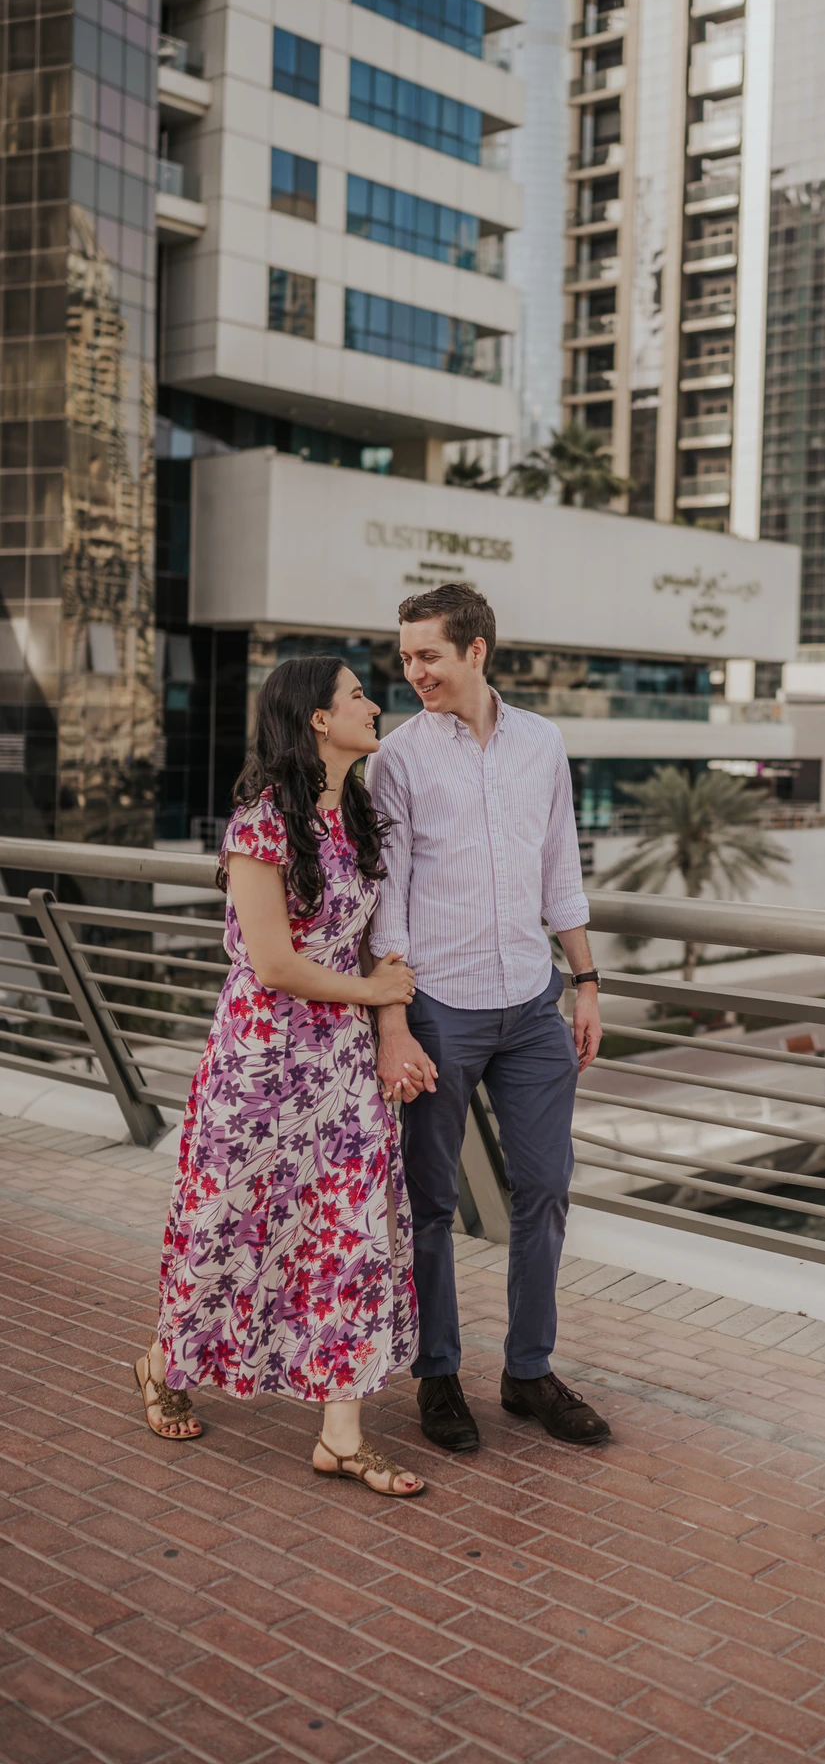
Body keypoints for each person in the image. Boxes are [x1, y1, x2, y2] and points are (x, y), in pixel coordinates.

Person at [136, 657, 429, 1498]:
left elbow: (373, 936)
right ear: (315, 721)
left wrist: (386, 1027)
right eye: (357, 696)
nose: (374, 706)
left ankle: (341, 1436)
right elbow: (271, 962)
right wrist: (373, 991)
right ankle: (162, 1361)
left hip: (341, 1062)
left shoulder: (359, 817)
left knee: (347, 1237)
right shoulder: (260, 826)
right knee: (229, 1223)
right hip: (261, 1060)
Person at [366, 584, 612, 1453]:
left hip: (532, 1003)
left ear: (476, 651)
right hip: (437, 1008)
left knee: (543, 1191)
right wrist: (394, 1024)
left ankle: (527, 1371)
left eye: (426, 655)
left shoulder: (542, 743)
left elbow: (561, 873)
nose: (412, 672)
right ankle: (437, 1375)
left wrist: (585, 981)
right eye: (404, 658)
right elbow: (384, 904)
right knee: (429, 1203)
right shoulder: (394, 761)